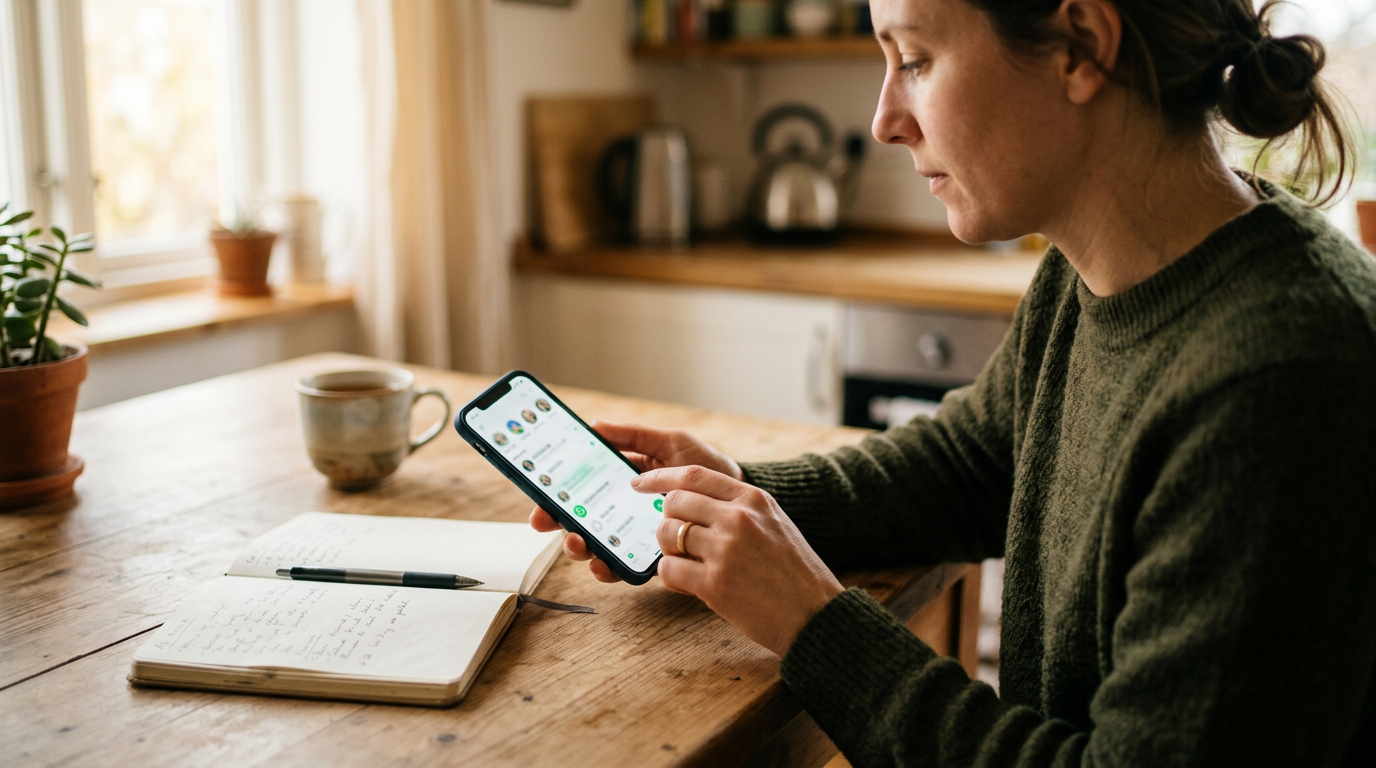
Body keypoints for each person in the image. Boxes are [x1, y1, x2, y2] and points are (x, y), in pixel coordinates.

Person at [531, 0, 1376, 764]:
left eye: (916, 59)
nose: (882, 120)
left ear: (1081, 47)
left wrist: (813, 622)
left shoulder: (1279, 382)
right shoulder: (1101, 268)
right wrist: (740, 497)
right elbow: (972, 461)